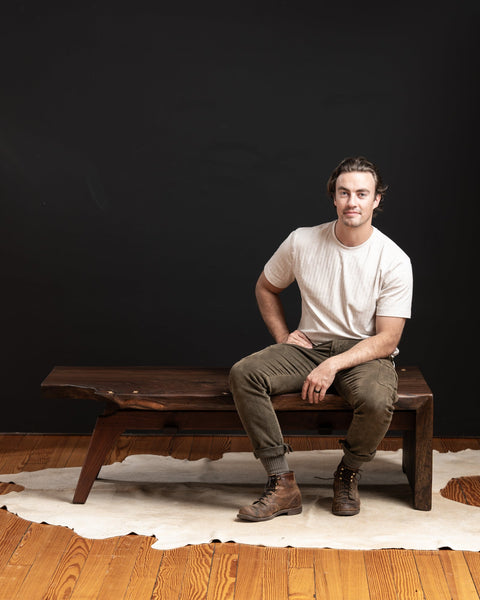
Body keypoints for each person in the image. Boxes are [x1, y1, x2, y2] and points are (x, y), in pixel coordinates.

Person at [229, 156, 413, 521]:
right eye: (344, 193)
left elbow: (388, 339)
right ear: (333, 197)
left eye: (362, 194)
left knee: (377, 400)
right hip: (309, 347)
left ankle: (348, 473)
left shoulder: (393, 259)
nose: (352, 202)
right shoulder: (302, 241)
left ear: (377, 200)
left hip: (365, 353)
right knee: (244, 374)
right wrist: (284, 337)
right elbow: (266, 287)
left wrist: (333, 365)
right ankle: (281, 482)